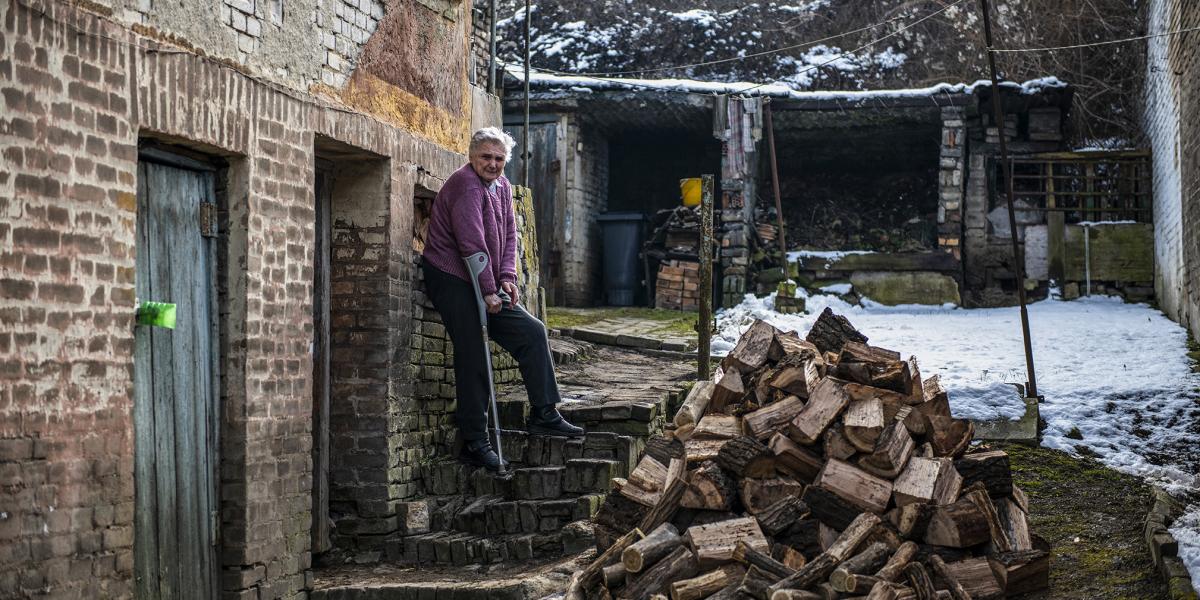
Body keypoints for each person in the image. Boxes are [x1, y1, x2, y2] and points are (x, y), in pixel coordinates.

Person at [421, 127, 584, 471]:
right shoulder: (466, 185)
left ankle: (544, 413)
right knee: (474, 351)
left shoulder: (503, 187)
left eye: (499, 158)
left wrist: (507, 278)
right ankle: (475, 441)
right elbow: (471, 243)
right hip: (451, 276)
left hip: (483, 276)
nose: (492, 164)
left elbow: (510, 236)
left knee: (532, 332)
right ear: (472, 156)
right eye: (486, 157)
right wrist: (487, 290)